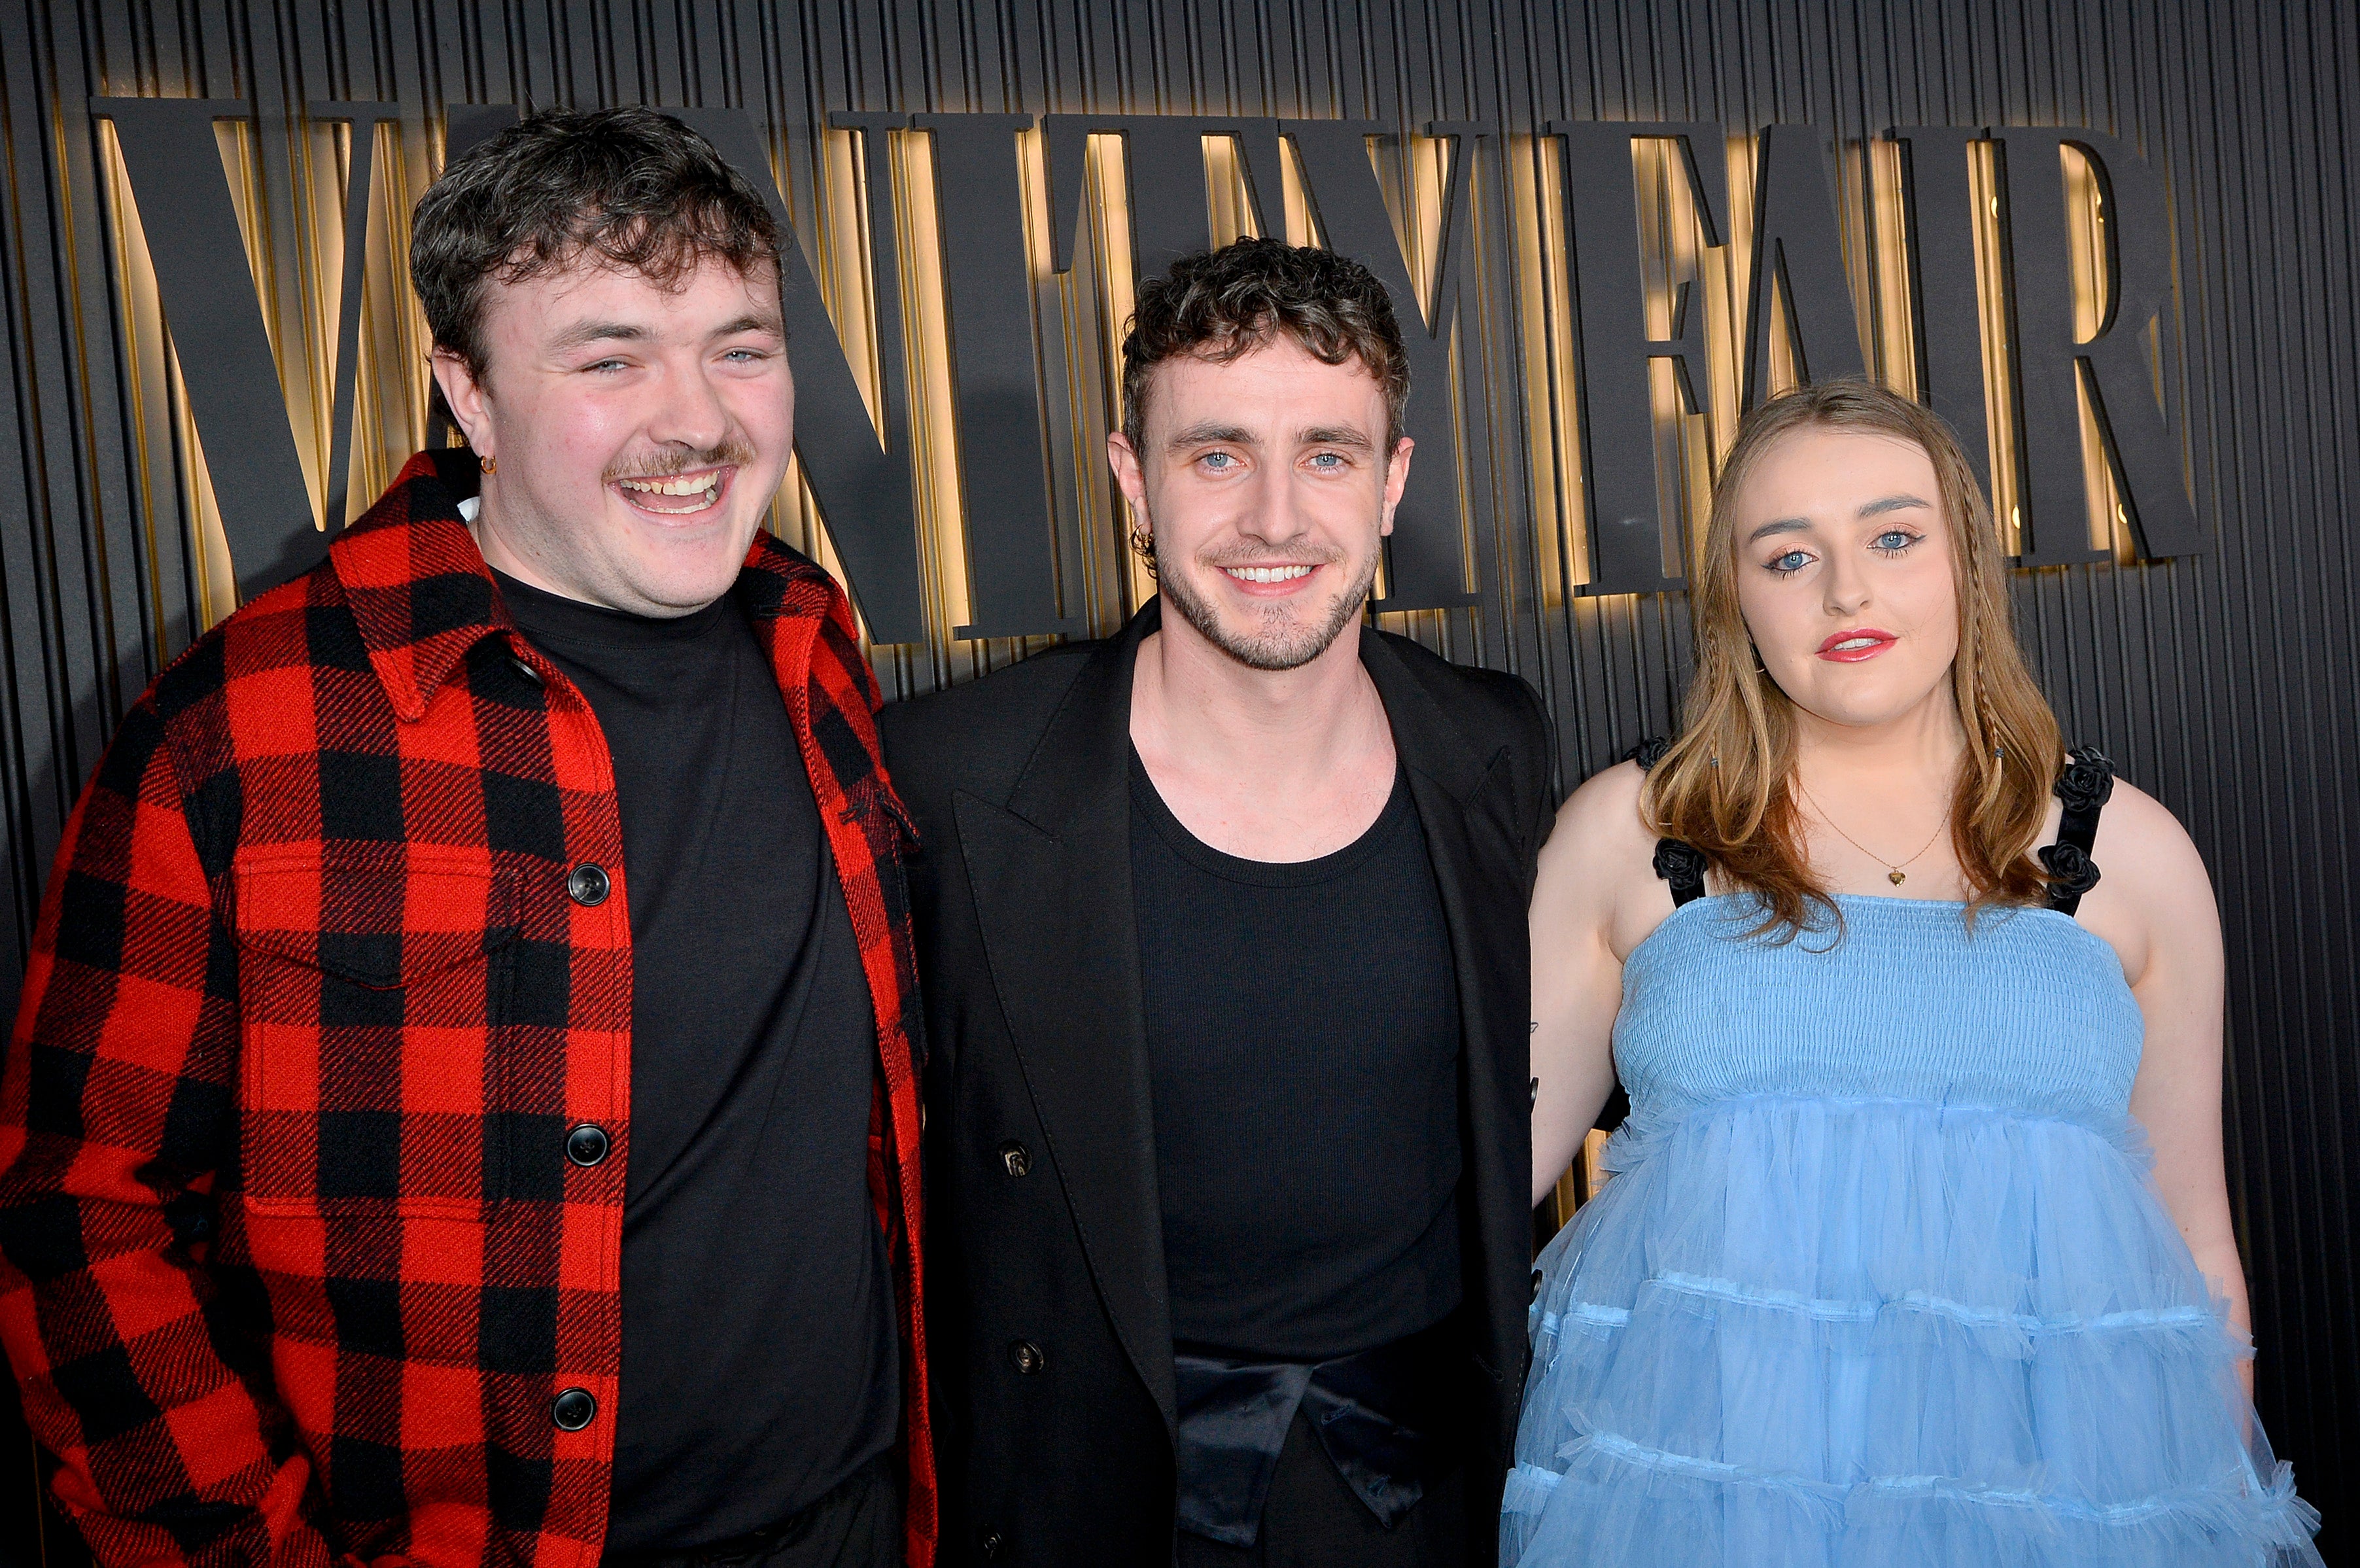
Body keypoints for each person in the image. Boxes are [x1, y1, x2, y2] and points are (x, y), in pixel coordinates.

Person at [0, 108, 933, 1568]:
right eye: (608, 357)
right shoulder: (241, 726)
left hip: (861, 1521)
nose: (697, 418)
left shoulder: (815, 647)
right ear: (470, 395)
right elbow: (77, 1216)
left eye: (739, 347)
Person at [1512, 378, 2323, 1566]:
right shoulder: (1634, 840)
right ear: (1734, 596)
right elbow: (1471, 1187)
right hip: (1719, 1517)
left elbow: (2195, 1245)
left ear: (1964, 564)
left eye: (1893, 537)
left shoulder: (2127, 853)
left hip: (2064, 1510)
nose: (1848, 591)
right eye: (1788, 556)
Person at [882, 236, 1553, 1566]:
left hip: (1432, 1503)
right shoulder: (951, 775)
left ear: (1390, 484)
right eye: (1214, 454)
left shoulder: (1494, 743)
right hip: (1094, 1503)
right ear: (1133, 478)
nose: (1273, 518)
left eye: (1326, 453)